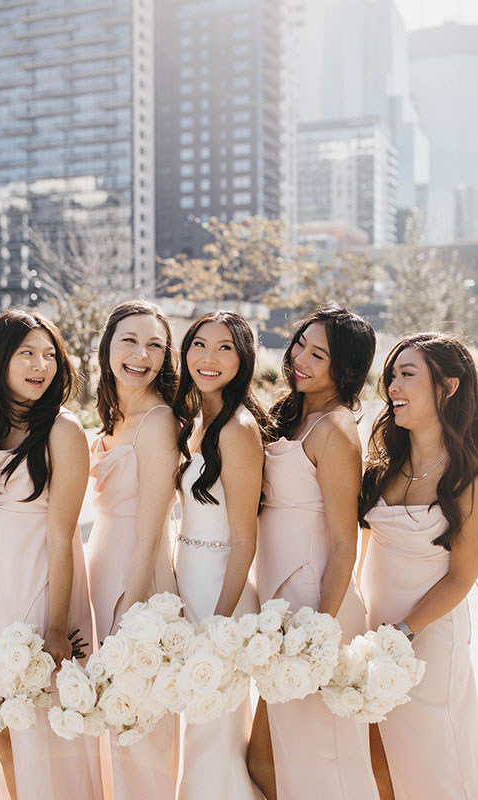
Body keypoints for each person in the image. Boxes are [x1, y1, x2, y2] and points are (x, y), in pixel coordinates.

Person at [0, 309, 102, 800]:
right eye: (27, 354)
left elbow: (62, 536)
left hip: (41, 588)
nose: (42, 365)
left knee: (29, 725)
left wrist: (58, 625)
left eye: (50, 354)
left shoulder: (62, 429)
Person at [249, 306, 379, 800]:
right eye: (301, 343)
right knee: (265, 760)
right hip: (281, 605)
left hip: (318, 607)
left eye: (317, 353)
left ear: (345, 369)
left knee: (323, 762)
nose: (300, 357)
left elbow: (347, 540)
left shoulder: (336, 430)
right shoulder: (290, 416)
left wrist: (320, 632)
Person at [359, 332, 478, 799]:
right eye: (391, 375)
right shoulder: (383, 461)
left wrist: (404, 632)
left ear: (447, 388)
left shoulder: (466, 476)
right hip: (373, 633)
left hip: (427, 640)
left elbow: (463, 575)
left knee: (432, 764)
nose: (393, 387)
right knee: (378, 763)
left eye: (407, 375)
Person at [85, 300, 180, 799]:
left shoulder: (158, 421)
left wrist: (136, 615)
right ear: (107, 347)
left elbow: (151, 527)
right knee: (107, 716)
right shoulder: (113, 416)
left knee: (137, 720)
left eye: (155, 345)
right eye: (129, 340)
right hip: (99, 568)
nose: (141, 354)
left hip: (135, 576)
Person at [172, 310, 267, 800]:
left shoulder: (238, 428)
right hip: (188, 579)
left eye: (225, 347)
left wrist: (221, 624)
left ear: (243, 357)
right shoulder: (193, 418)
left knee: (214, 732)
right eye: (200, 345)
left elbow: (245, 539)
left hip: (219, 593)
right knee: (197, 729)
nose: (209, 358)